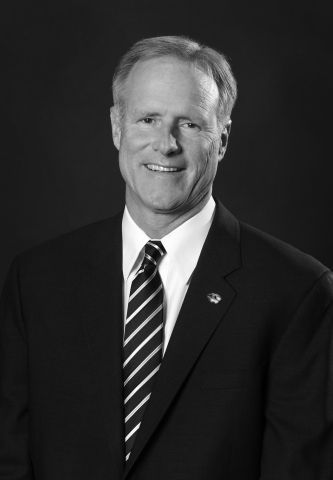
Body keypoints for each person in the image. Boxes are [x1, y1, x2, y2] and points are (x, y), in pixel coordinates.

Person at [0, 36, 332, 480]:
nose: (166, 144)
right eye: (148, 119)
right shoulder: (36, 280)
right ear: (117, 127)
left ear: (223, 138)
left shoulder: (296, 293)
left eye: (190, 124)